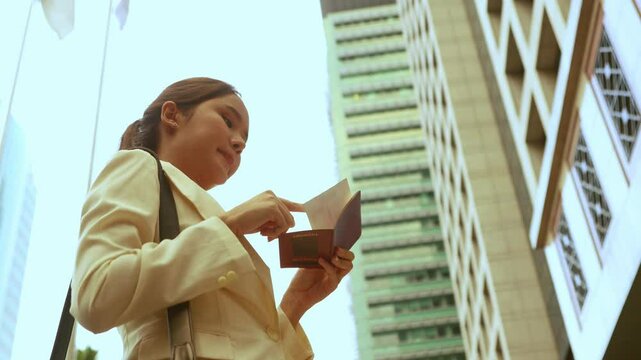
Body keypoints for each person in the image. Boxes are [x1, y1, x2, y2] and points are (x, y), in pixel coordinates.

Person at [70, 77, 355, 359]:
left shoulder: (207, 218)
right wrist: (231, 226)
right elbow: (95, 294)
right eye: (228, 121)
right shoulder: (137, 165)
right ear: (172, 115)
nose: (240, 143)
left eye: (245, 139)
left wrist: (297, 301)